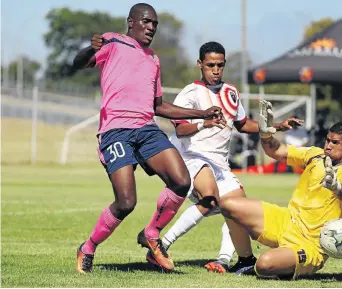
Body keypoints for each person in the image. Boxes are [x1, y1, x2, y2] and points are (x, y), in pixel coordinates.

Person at [73, 3, 224, 273]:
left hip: (146, 128)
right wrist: (90, 48)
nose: (151, 27)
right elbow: (78, 63)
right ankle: (88, 247)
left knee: (181, 181)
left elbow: (158, 106)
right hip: (115, 131)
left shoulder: (153, 59)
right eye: (146, 21)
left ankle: (151, 234)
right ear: (131, 22)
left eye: (155, 24)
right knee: (126, 202)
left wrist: (200, 113)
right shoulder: (112, 41)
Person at [155, 41, 302, 274]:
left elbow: (243, 125)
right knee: (211, 198)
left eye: (220, 65)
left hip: (220, 165)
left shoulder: (231, 92)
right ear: (199, 64)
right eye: (210, 65)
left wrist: (277, 126)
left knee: (237, 208)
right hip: (191, 156)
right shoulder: (190, 92)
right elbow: (180, 130)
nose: (215, 70)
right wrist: (205, 122)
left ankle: (240, 261)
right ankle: (160, 245)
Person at [219, 100, 342, 279]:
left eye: (335, 142)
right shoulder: (315, 155)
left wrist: (337, 188)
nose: (328, 145)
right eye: (327, 140)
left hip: (311, 244)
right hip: (286, 220)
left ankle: (285, 262)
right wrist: (266, 132)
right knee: (228, 204)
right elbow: (277, 151)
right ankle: (245, 260)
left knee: (264, 266)